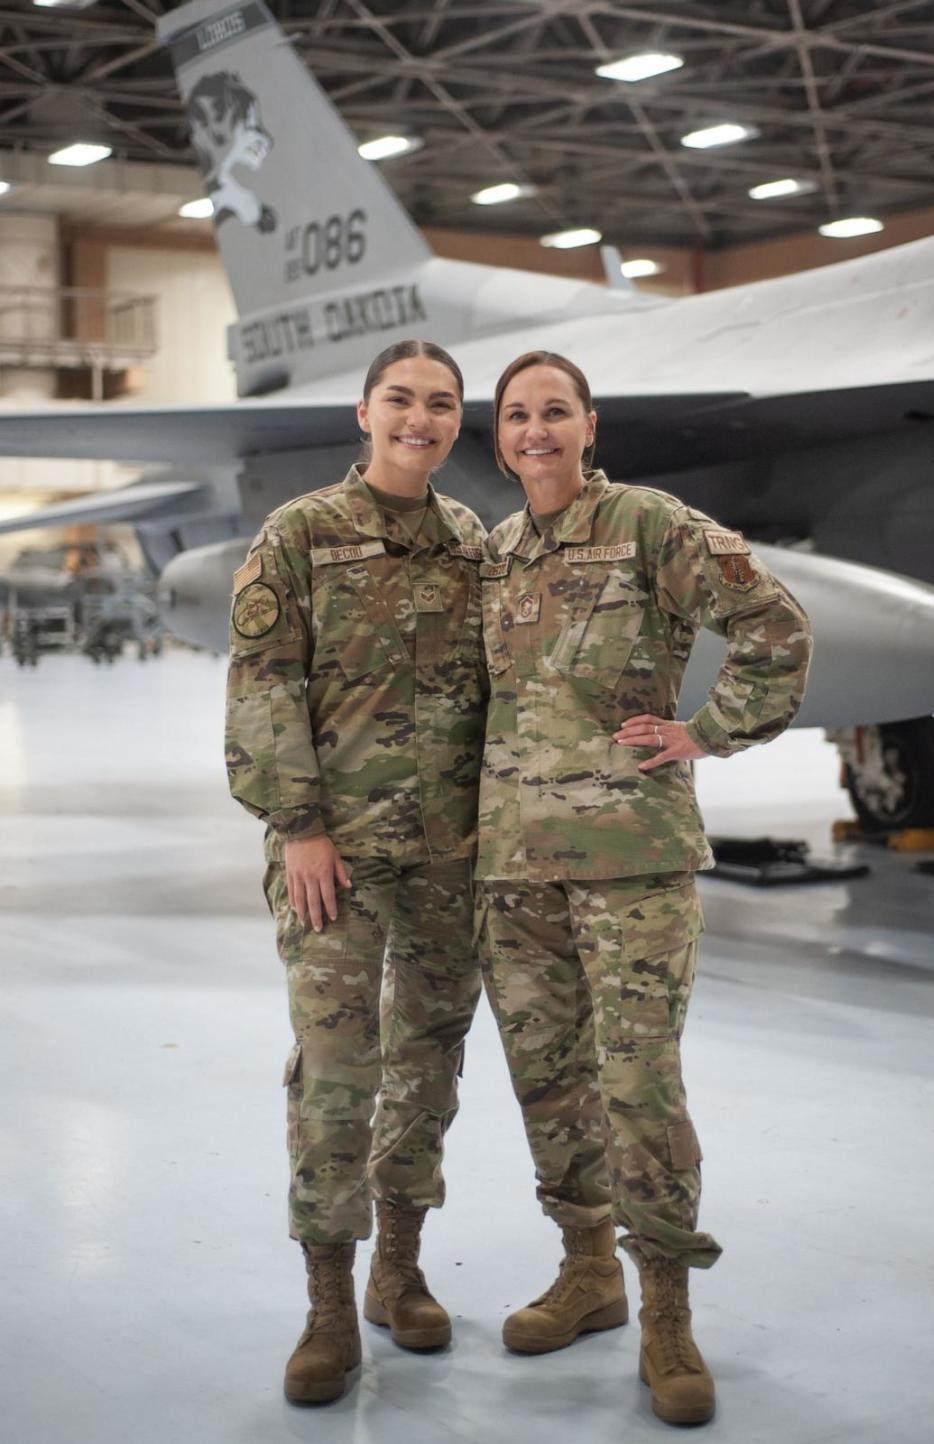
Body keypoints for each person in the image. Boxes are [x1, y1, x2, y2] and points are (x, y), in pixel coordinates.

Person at [475, 351, 812, 1426]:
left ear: (589, 424)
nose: (537, 431)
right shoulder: (498, 552)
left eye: (555, 413)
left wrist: (704, 731)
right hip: (514, 867)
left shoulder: (651, 525)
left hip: (633, 862)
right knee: (549, 1083)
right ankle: (588, 1273)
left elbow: (777, 628)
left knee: (640, 1086)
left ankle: (667, 1307)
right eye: (519, 415)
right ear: (501, 436)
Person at [225, 339, 487, 1404]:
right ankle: (328, 1302)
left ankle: (400, 1267)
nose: (417, 419)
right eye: (399, 401)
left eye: (438, 404)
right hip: (332, 853)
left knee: (427, 1063)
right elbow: (261, 687)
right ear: (363, 413)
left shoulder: (470, 539)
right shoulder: (300, 534)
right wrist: (299, 825)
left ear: (455, 421)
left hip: (448, 856)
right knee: (337, 1071)